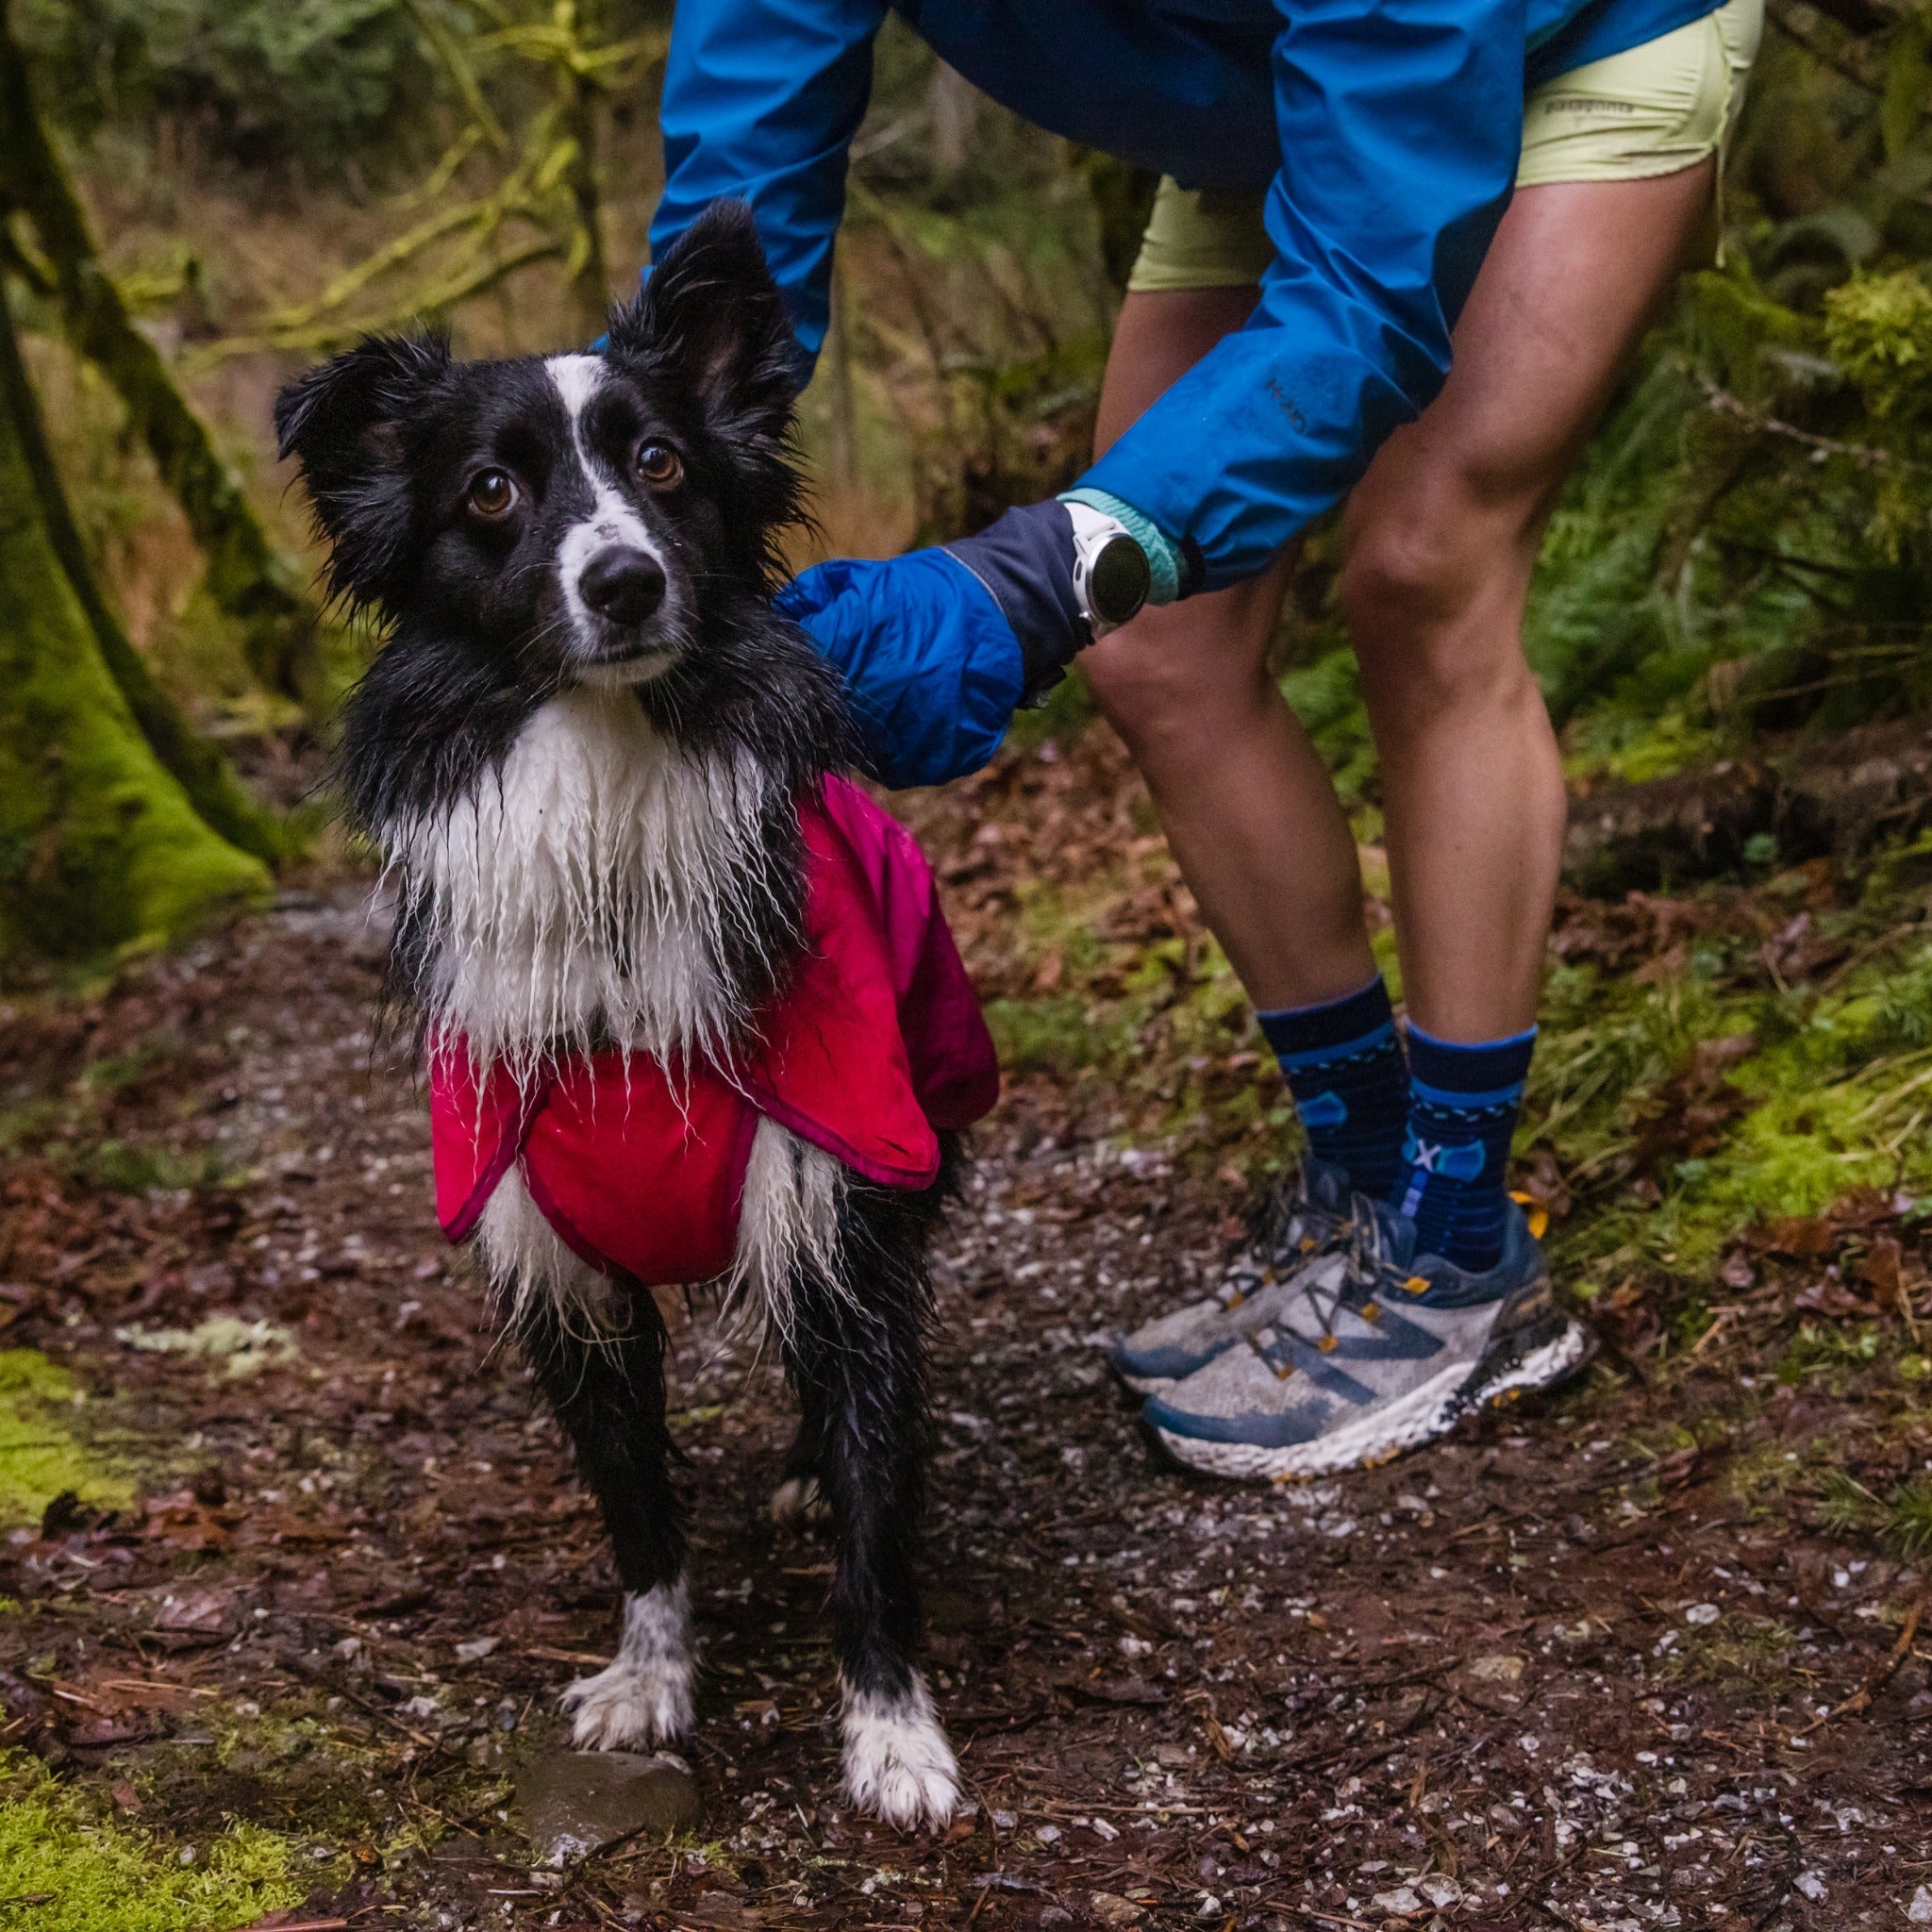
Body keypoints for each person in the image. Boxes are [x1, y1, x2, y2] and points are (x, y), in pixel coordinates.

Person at [642, 0, 1761, 1478]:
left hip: (1570, 44)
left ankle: (1461, 1250)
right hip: (1272, 108)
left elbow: (1365, 296)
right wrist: (651, 470)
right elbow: (751, 140)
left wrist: (1036, 577)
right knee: (1165, 647)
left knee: (1425, 569)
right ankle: (1368, 1180)